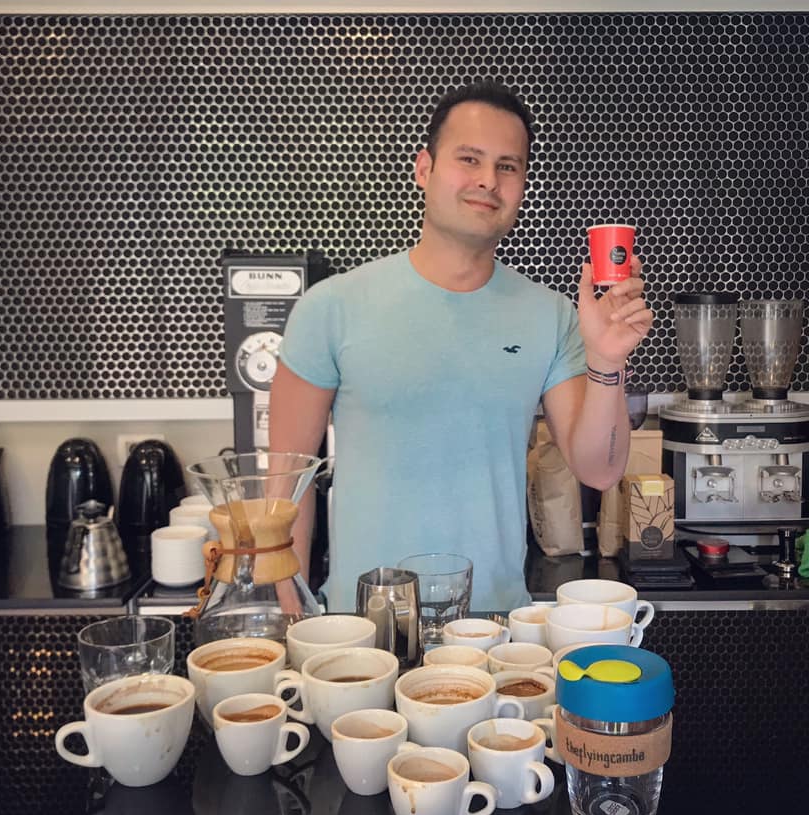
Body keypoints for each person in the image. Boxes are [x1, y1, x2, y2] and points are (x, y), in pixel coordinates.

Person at [269, 79, 653, 612]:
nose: (488, 180)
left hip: (493, 633)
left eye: (507, 166)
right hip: (363, 634)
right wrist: (295, 623)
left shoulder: (551, 315)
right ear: (424, 169)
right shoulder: (330, 307)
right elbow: (285, 487)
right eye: (469, 159)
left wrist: (607, 360)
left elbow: (600, 470)